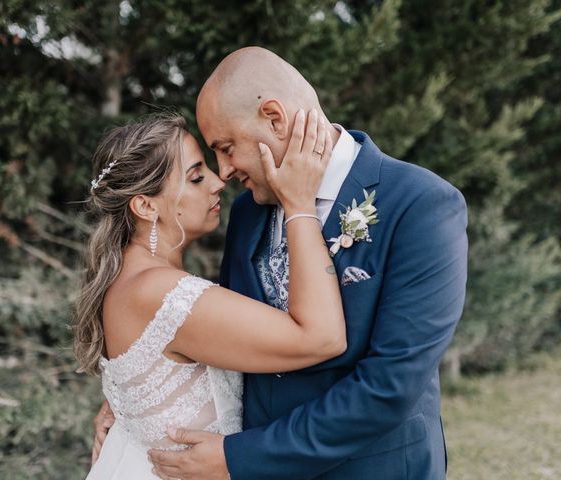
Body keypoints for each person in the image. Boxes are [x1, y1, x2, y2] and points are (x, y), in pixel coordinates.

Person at [95, 46, 469, 479]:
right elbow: (223, 338)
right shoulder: (250, 212)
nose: (225, 171)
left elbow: (389, 388)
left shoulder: (420, 204)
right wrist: (137, 402)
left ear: (274, 117)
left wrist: (244, 457)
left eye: (227, 147)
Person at [75, 111, 347, 480]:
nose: (219, 182)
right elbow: (322, 337)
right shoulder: (164, 294)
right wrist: (300, 206)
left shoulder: (128, 281)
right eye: (196, 176)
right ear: (145, 206)